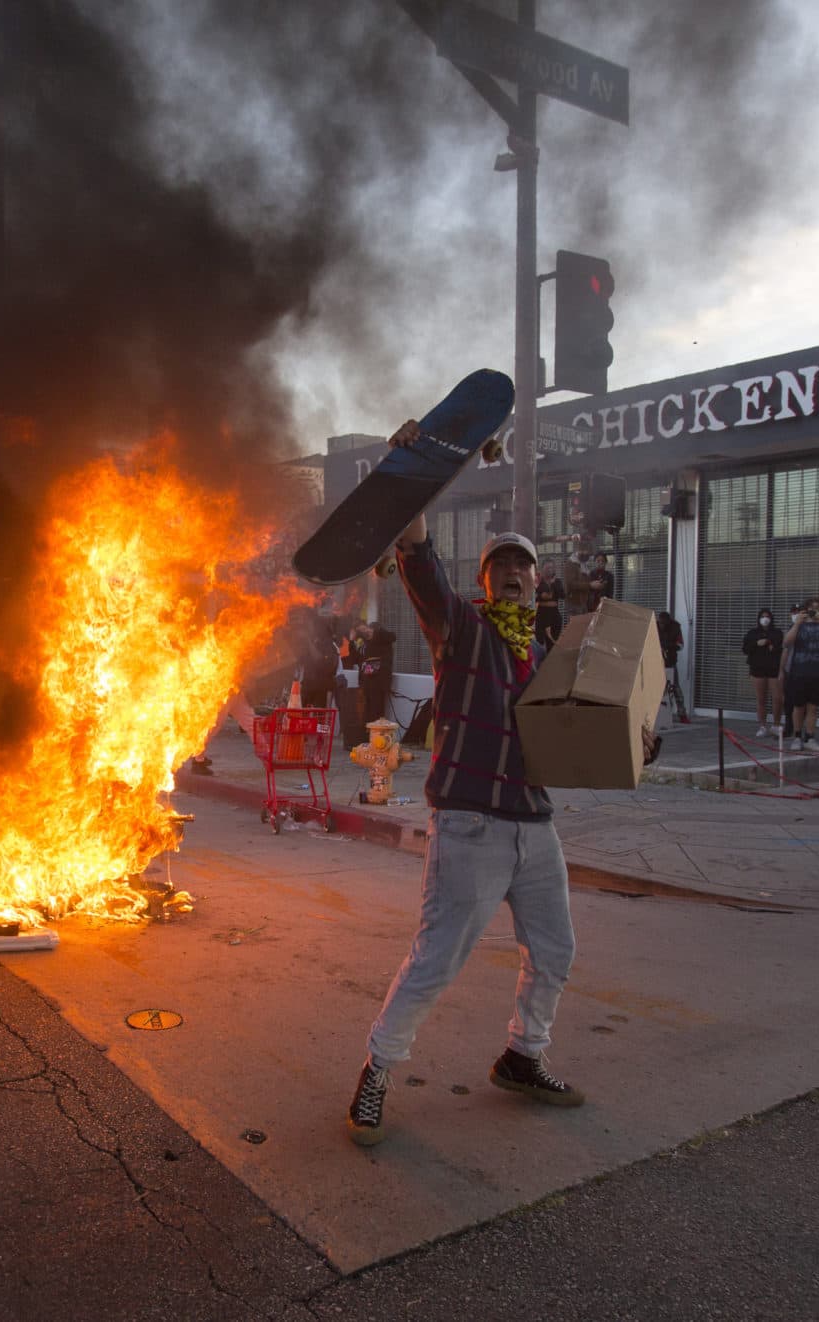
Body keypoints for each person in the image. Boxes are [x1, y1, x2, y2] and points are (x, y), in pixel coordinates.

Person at [346, 417, 583, 1148]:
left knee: (556, 951)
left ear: (537, 580)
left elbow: (582, 736)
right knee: (437, 959)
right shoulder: (463, 630)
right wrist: (412, 465)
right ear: (484, 581)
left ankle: (523, 1056)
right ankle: (378, 1071)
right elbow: (415, 553)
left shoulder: (548, 654)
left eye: (523, 565)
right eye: (500, 565)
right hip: (472, 825)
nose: (513, 571)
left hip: (535, 825)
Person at [782, 597, 819, 752]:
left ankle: (810, 737)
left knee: (813, 708)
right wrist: (797, 623)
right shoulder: (798, 625)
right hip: (798, 672)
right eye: (812, 609)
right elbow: (786, 642)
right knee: (798, 706)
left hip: (818, 673)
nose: (815, 612)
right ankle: (797, 737)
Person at [740, 608, 785, 738]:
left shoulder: (777, 633)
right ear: (759, 619)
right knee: (761, 699)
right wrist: (756, 643)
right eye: (763, 616)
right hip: (757, 669)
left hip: (774, 669)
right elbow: (745, 649)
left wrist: (770, 644)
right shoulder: (752, 633)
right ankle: (762, 726)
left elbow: (781, 648)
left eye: (767, 617)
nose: (765, 619)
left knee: (777, 698)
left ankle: (776, 725)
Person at [655, 610, 689, 723]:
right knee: (656, 687)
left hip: (670, 661)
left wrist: (668, 647)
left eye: (664, 623)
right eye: (661, 623)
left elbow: (680, 645)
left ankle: (682, 713)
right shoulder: (654, 626)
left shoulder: (675, 627)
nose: (662, 625)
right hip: (657, 661)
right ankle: (658, 713)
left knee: (675, 687)